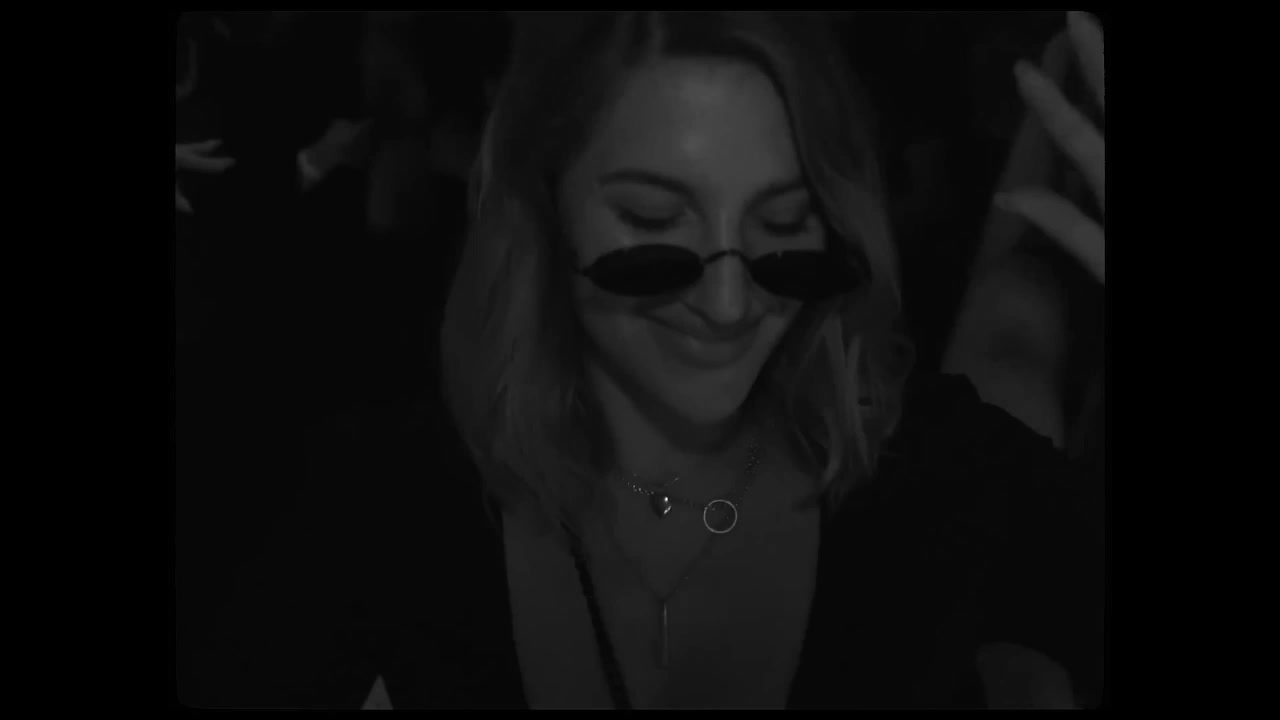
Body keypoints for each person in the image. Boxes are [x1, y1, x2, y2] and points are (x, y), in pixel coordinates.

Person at [193, 11, 1104, 709]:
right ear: (542, 217)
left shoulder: (936, 470)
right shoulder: (385, 495)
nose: (730, 303)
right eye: (655, 222)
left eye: (783, 225)